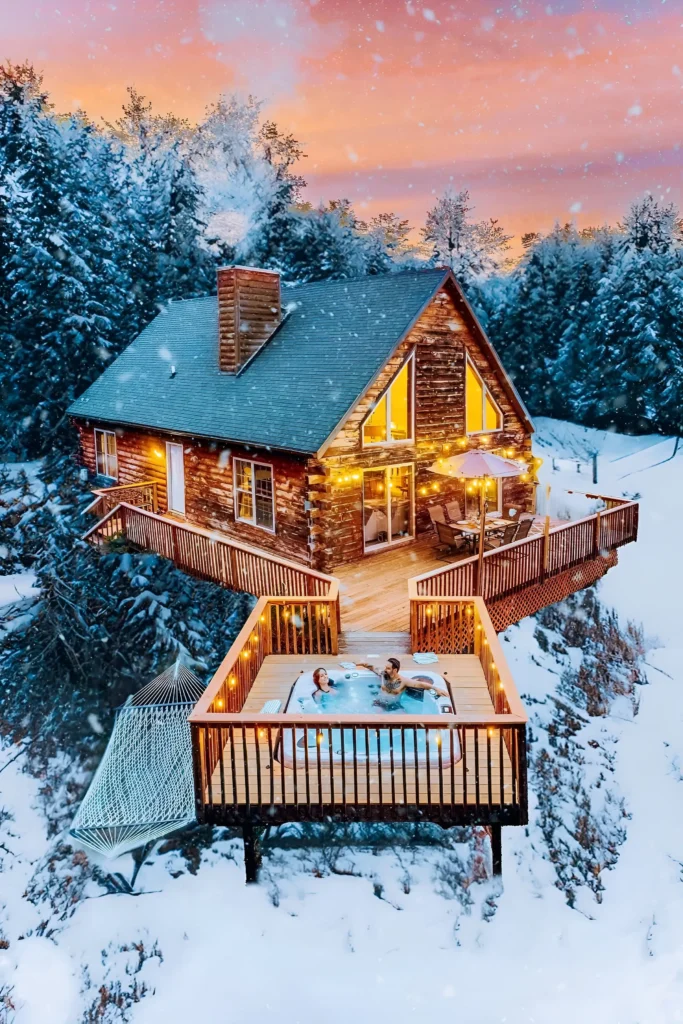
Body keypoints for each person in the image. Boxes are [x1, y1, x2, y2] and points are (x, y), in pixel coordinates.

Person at [357, 657, 448, 707]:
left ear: (395, 670)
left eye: (388, 668)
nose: (385, 669)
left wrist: (436, 688)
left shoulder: (403, 681)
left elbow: (419, 684)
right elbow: (372, 667)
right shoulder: (383, 675)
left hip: (395, 706)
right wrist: (361, 663)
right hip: (379, 703)